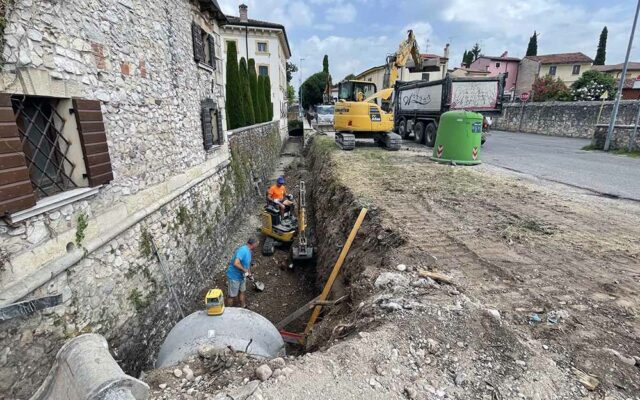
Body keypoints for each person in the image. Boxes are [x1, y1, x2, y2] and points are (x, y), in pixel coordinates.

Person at [225, 238, 257, 308]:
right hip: (234, 277)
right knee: (232, 296)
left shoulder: (250, 252)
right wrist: (245, 271)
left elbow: (247, 265)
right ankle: (228, 311)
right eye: (256, 243)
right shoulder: (243, 250)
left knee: (242, 291)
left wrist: (250, 274)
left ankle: (243, 306)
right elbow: (236, 263)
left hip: (242, 277)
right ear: (252, 244)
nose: (257, 245)